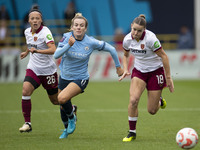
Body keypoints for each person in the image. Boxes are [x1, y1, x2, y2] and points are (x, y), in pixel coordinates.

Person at [54, 13, 124, 139]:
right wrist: (68, 45)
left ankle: (72, 117)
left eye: (81, 25)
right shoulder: (66, 37)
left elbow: (112, 49)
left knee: (62, 98)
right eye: (76, 25)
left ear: (85, 29)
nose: (79, 27)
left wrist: (118, 67)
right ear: (72, 27)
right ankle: (66, 128)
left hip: (81, 78)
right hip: (64, 76)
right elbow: (56, 55)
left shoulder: (91, 42)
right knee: (62, 105)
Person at [119, 14, 174, 142]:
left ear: (144, 30)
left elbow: (164, 56)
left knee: (152, 110)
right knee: (133, 100)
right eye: (134, 29)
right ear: (131, 26)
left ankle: (159, 100)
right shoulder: (127, 39)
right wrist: (126, 68)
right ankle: (132, 132)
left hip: (156, 72)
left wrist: (169, 77)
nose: (136, 33)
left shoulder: (151, 39)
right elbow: (125, 55)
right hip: (139, 71)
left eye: (139, 30)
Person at [19, 6, 59, 133]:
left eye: (37, 18)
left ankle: (71, 107)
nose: (35, 21)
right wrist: (26, 52)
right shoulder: (27, 32)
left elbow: (53, 49)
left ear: (41, 20)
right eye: (32, 18)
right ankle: (27, 123)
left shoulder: (45, 32)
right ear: (29, 21)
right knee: (25, 91)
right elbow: (31, 44)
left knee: (55, 100)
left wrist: (37, 51)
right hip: (34, 68)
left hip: (48, 71)